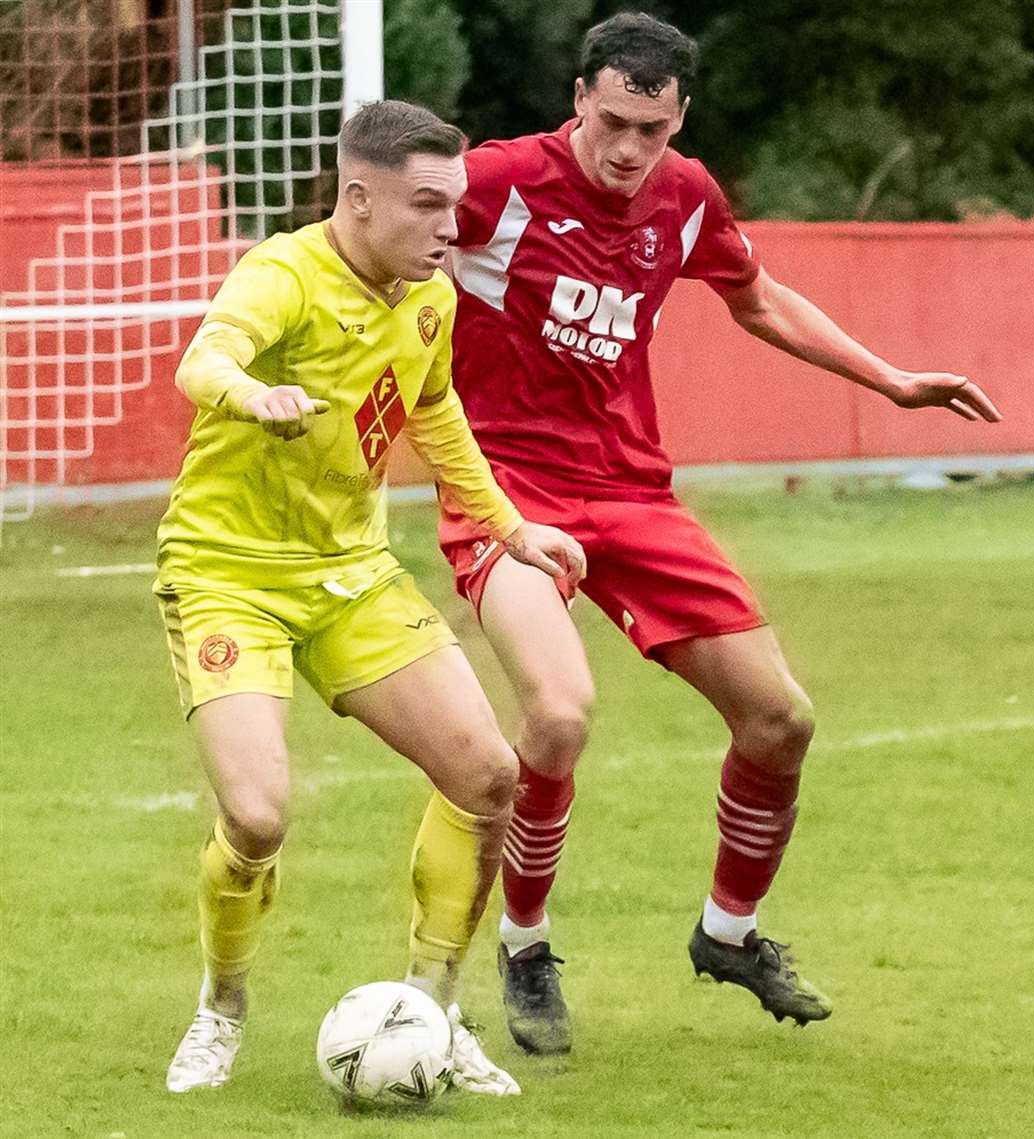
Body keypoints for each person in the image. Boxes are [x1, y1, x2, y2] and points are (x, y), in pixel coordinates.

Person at [439, 11, 1003, 1054]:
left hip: (636, 496)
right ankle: (524, 945)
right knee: (558, 718)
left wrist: (890, 379)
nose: (626, 150)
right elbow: (375, 235)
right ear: (578, 100)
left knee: (781, 719)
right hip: (507, 493)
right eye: (611, 122)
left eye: (649, 131)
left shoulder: (685, 196)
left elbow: (758, 296)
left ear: (678, 120)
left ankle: (728, 932)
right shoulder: (498, 180)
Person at [154, 98, 587, 1096]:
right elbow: (202, 358)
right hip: (230, 575)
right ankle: (222, 1004)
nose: (451, 228)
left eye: (458, 206)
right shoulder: (285, 273)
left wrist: (512, 528)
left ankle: (431, 1004)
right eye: (428, 206)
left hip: (351, 574)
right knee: (257, 818)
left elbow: (434, 412)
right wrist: (248, 394)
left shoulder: (427, 297)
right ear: (358, 196)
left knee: (486, 774)